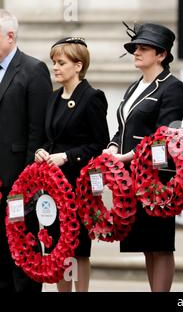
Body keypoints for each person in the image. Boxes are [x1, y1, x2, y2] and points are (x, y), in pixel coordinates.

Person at [103, 22, 183, 292]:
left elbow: (164, 136)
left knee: (159, 245)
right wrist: (113, 147)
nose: (136, 53)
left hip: (156, 177)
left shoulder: (173, 88)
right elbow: (122, 128)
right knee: (146, 246)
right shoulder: (133, 87)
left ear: (161, 54)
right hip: (129, 177)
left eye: (143, 48)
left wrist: (128, 156)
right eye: (135, 48)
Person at [34, 37, 109, 292]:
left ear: (78, 66)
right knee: (57, 245)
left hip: (78, 184)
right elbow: (49, 138)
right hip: (53, 186)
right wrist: (42, 151)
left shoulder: (91, 97)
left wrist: (67, 156)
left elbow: (99, 144)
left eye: (61, 62)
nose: (55, 67)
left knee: (77, 248)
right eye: (53, 62)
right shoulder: (53, 98)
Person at [0, 9, 52, 292]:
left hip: (19, 181)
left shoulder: (33, 70)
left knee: (22, 254)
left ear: (10, 36)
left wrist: (29, 182)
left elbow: (38, 131)